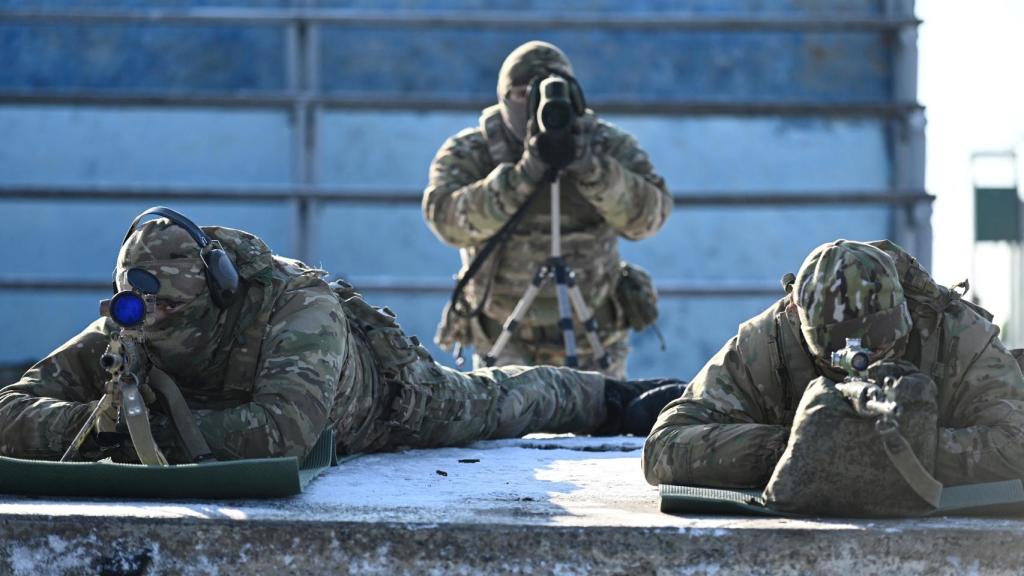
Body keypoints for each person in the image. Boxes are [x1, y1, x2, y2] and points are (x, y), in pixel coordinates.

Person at [0, 209, 680, 464]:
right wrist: (107, 426)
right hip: (248, 410)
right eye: (137, 309)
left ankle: (616, 399)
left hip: (383, 398)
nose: (154, 326)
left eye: (175, 309)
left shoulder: (297, 309)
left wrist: (122, 431)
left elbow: (286, 433)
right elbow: (10, 410)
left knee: (499, 402)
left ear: (216, 285)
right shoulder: (136, 321)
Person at [643, 240, 1024, 496]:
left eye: (882, 344)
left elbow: (1016, 442)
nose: (864, 362)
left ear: (907, 312)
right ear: (797, 317)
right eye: (837, 354)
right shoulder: (769, 342)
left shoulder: (956, 335)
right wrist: (796, 448)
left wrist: (906, 450)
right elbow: (665, 447)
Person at [422, 40, 672, 378]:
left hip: (593, 337)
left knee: (603, 425)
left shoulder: (605, 145)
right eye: (523, 94)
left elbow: (648, 218)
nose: (537, 104)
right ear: (503, 97)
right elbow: (446, 221)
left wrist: (592, 169)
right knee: (508, 423)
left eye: (551, 92)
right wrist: (522, 177)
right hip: (505, 339)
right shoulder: (474, 151)